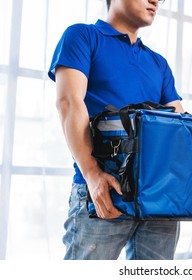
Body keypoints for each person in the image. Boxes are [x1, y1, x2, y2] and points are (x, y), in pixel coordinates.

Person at [48, 0, 184, 260]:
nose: (156, 1)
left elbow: (178, 124)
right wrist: (92, 175)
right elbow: (69, 103)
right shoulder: (83, 36)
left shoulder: (159, 64)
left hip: (159, 196)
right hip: (105, 190)